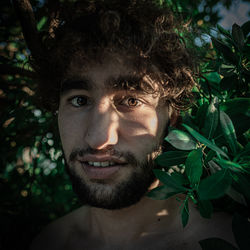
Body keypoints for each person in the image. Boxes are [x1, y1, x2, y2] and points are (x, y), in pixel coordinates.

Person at [29, 1, 235, 249]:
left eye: (131, 100)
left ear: (172, 117)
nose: (98, 139)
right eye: (79, 100)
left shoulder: (224, 241)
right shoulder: (49, 242)